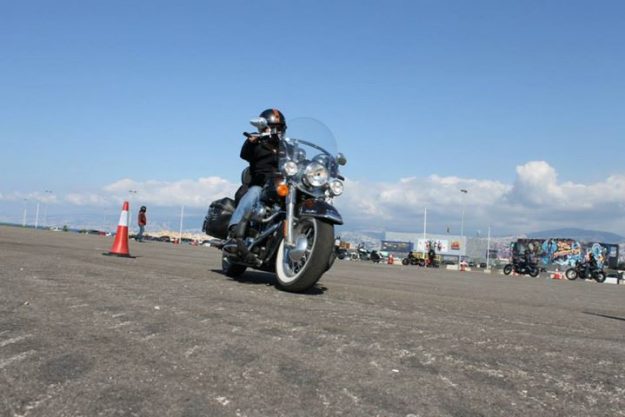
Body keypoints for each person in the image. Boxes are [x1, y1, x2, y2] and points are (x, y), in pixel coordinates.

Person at [224, 109, 286, 254]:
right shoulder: (258, 142)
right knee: (254, 193)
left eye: (279, 127)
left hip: (281, 186)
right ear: (263, 127)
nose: (277, 130)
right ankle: (234, 231)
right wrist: (251, 142)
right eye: (273, 127)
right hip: (261, 184)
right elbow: (244, 154)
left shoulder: (286, 147)